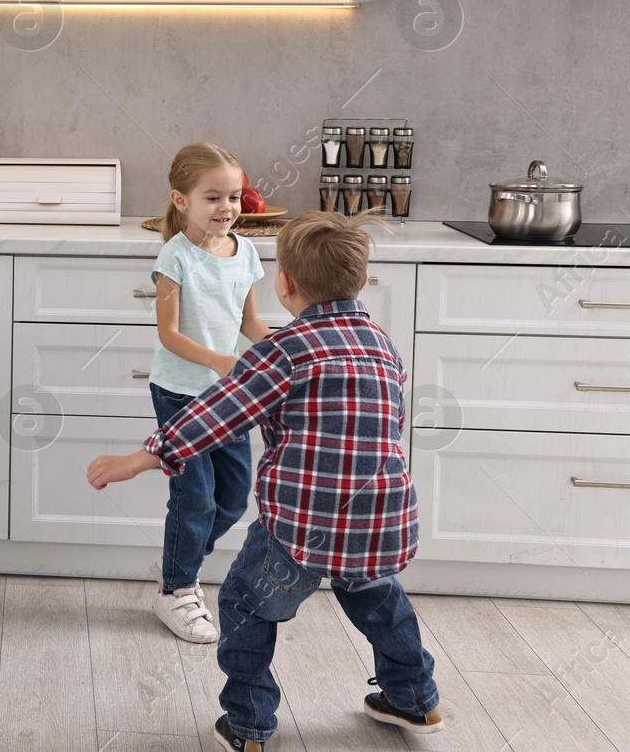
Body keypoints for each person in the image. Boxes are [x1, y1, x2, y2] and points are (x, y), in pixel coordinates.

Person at [86, 211, 442, 751]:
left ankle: (250, 726)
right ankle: (415, 702)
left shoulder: (283, 351)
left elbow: (219, 412)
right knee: (380, 603)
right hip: (380, 519)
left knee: (247, 605)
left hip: (300, 525)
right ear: (363, 281)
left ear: (285, 283)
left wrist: (142, 457)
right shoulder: (383, 345)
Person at [144, 143, 270, 643]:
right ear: (181, 200)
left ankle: (178, 558)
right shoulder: (174, 257)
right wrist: (218, 360)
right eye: (213, 196)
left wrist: (288, 349)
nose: (227, 207)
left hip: (228, 398)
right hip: (180, 392)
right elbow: (168, 334)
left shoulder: (247, 252)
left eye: (234, 196)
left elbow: (250, 322)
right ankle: (176, 589)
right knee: (193, 497)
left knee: (235, 498)